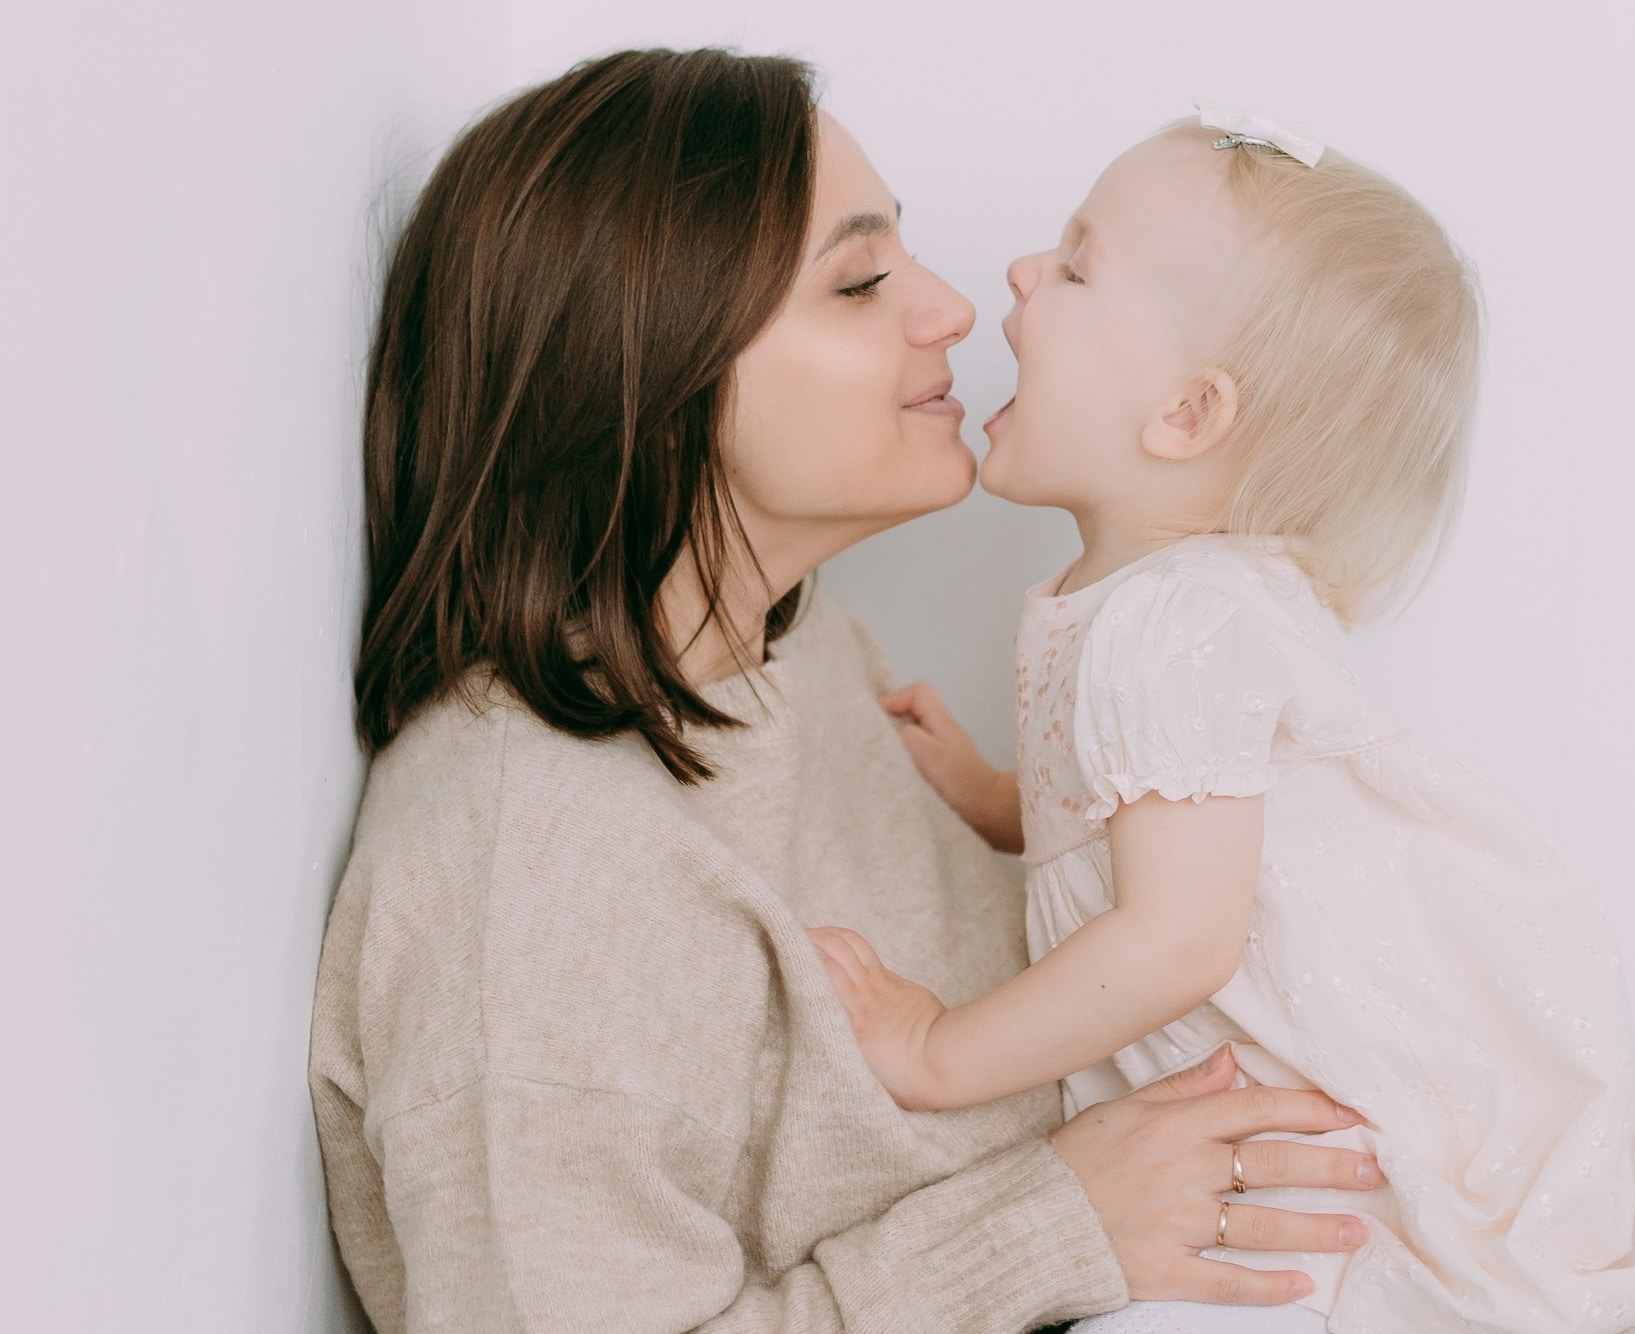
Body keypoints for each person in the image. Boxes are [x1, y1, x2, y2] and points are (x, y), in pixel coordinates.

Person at [806, 111, 1635, 1334]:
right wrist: (997, 796)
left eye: (1071, 265)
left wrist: (936, 1049)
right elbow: (1146, 816)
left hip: (1323, 1082)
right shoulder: (1149, 603)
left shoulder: (1168, 625)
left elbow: (1175, 938)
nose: (1011, 275)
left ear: (1185, 413)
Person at [308, 49, 1390, 1334]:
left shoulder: (800, 648)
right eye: (862, 281)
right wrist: (1055, 1227)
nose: (950, 307)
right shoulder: (527, 882)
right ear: (657, 372)